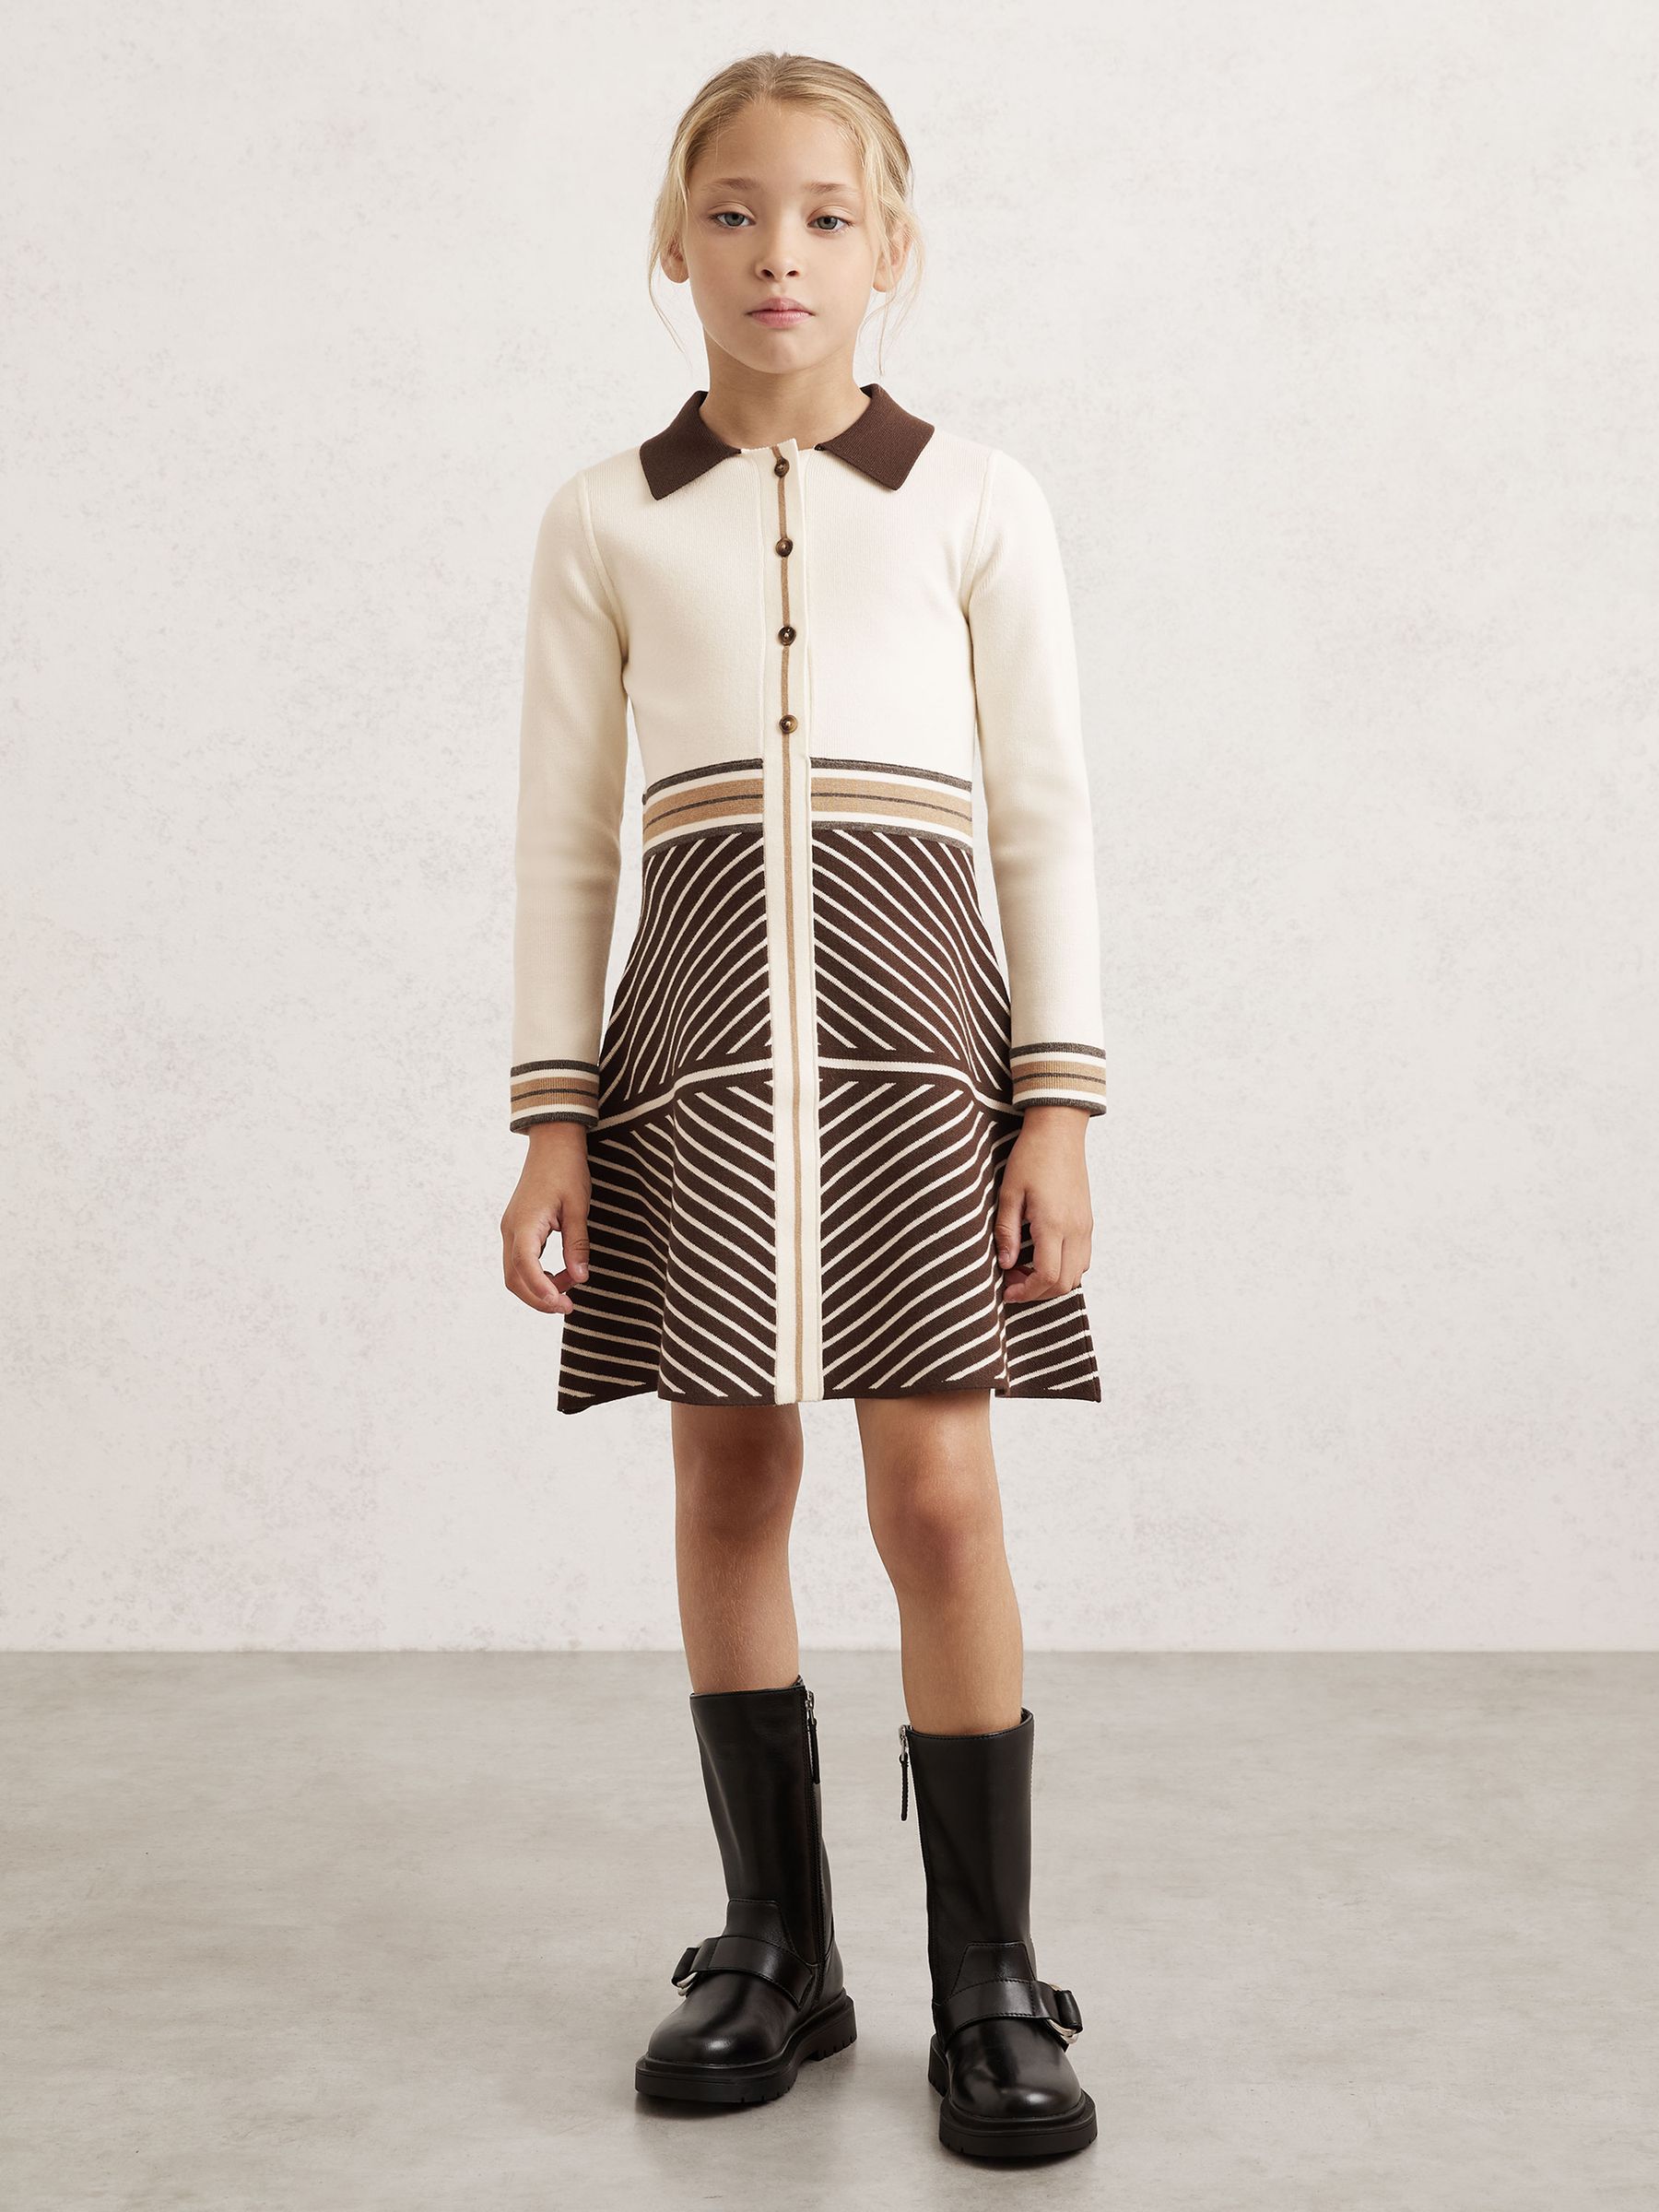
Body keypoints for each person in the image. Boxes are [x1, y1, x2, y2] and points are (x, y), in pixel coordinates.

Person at [499, 50, 1104, 2161]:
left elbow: (1045, 820)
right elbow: (564, 838)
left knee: (937, 1495)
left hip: (921, 1062)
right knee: (727, 1478)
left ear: (892, 248)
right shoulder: (603, 519)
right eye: (736, 212)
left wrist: (1058, 1107)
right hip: (690, 1061)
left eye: (829, 216)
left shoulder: (977, 501)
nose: (782, 253)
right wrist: (554, 1116)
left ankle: (988, 1978)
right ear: (675, 244)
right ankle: (778, 1945)